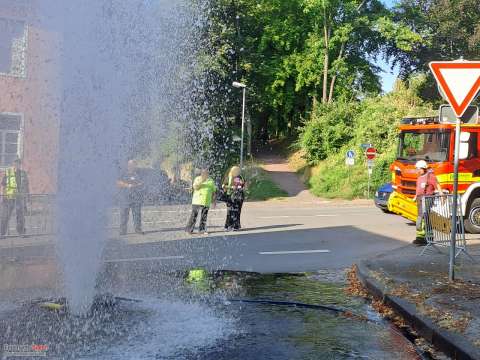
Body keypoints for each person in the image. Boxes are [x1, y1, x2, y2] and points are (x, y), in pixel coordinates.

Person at [413, 160, 443, 246]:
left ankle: (421, 239)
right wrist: (415, 196)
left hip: (427, 199)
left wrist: (442, 196)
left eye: (418, 169)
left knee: (422, 217)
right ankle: (427, 237)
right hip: (420, 199)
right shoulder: (419, 178)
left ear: (423, 168)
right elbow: (418, 189)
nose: (417, 171)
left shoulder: (430, 176)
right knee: (423, 218)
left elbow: (437, 185)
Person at [1, 158, 29, 237]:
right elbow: (3, 185)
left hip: (19, 198)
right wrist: (4, 196)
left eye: (18, 164)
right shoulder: (8, 173)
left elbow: (26, 186)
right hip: (9, 198)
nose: (17, 165)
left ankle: (21, 232)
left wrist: (27, 197)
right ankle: (1, 233)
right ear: (13, 164)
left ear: (20, 165)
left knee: (20, 216)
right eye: (15, 164)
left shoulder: (23, 173)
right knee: (5, 216)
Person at [117, 160, 144, 235]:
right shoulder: (123, 173)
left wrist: (137, 185)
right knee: (124, 215)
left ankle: (138, 229)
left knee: (137, 215)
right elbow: (118, 183)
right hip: (125, 198)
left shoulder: (139, 173)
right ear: (127, 165)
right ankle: (123, 230)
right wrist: (128, 185)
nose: (131, 166)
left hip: (136, 198)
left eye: (133, 165)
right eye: (130, 165)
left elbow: (142, 183)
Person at [186, 168, 216, 235]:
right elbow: (195, 187)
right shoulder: (198, 178)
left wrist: (214, 201)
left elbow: (214, 192)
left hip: (206, 201)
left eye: (207, 173)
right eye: (204, 173)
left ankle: (201, 230)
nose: (205, 174)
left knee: (204, 216)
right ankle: (189, 229)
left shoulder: (211, 180)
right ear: (202, 173)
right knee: (194, 215)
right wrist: (202, 180)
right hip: (197, 201)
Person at [223, 166, 246, 231]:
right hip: (230, 196)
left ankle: (236, 226)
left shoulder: (240, 177)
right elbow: (223, 186)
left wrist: (243, 188)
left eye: (237, 170)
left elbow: (244, 185)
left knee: (237, 211)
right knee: (230, 211)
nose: (237, 171)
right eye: (235, 170)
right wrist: (231, 187)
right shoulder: (228, 177)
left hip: (239, 196)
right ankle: (228, 225)